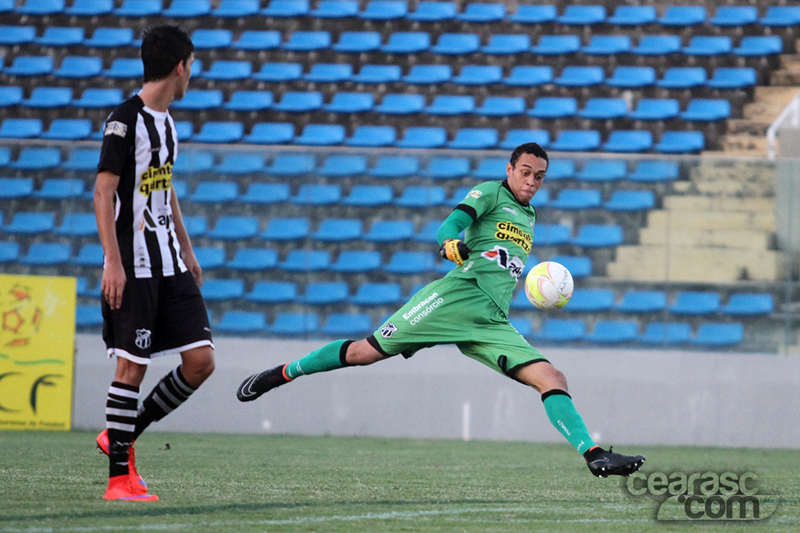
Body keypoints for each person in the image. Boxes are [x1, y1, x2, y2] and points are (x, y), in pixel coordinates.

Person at [237, 142, 644, 478]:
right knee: (365, 353)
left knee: (552, 376)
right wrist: (451, 244)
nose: (531, 181)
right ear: (510, 168)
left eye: (539, 176)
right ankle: (282, 373)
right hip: (453, 299)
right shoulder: (489, 193)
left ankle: (594, 455)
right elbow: (450, 226)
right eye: (525, 171)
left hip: (490, 320)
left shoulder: (529, 215)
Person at [94, 25, 215, 501]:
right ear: (181, 65)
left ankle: (121, 437)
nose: (191, 76)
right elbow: (104, 191)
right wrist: (113, 261)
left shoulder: (167, 123)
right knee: (132, 370)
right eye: (192, 66)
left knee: (200, 362)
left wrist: (186, 248)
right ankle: (118, 480)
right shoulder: (124, 120)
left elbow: (163, 188)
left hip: (169, 262)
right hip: (134, 265)